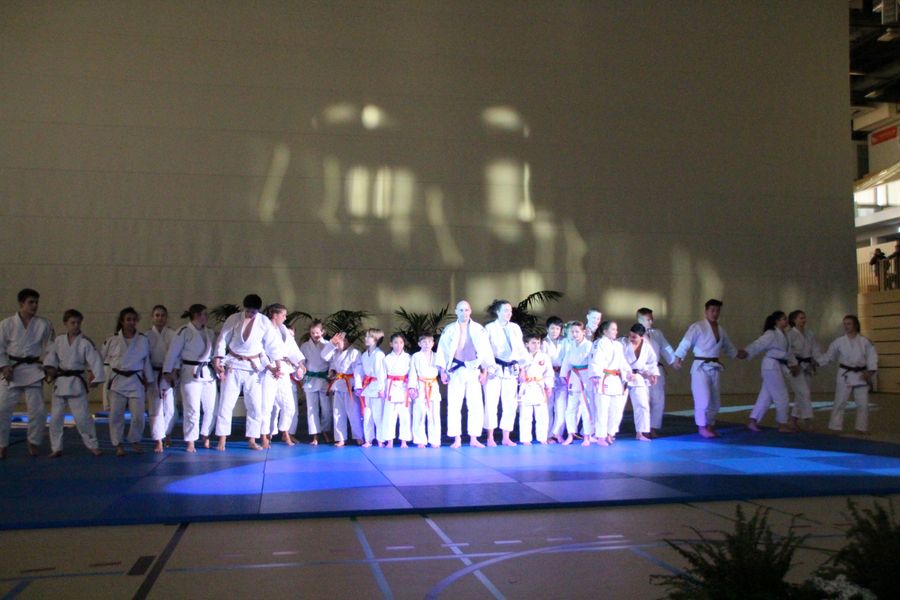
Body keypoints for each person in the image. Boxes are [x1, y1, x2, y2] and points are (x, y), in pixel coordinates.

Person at [212, 294, 283, 451]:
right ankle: (222, 439)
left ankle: (252, 439)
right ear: (244, 308)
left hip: (253, 368)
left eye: (253, 312)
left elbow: (272, 345)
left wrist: (277, 365)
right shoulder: (233, 319)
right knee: (226, 403)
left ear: (258, 310)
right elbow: (223, 339)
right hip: (234, 364)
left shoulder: (263, 321)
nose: (250, 314)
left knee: (255, 406)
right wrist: (218, 359)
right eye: (248, 311)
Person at [673, 299, 743, 438]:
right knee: (703, 399)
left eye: (717, 311)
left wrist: (739, 354)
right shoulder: (697, 327)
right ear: (706, 311)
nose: (715, 313)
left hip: (714, 367)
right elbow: (686, 342)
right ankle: (702, 427)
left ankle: (710, 425)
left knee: (715, 402)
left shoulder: (721, 330)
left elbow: (728, 347)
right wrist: (678, 357)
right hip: (700, 367)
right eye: (712, 310)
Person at [0, 288, 55, 459]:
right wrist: (4, 366)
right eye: (31, 302)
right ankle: (1, 444)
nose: (35, 305)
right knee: (2, 409)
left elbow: (50, 347)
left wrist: (49, 366)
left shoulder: (44, 324)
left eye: (36, 302)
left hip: (33, 369)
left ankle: (33, 441)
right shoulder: (6, 324)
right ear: (21, 303)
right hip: (12, 369)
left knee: (38, 411)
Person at [43, 309, 105, 457]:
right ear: (65, 323)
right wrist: (49, 368)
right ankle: (56, 448)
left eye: (78, 323)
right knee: (55, 418)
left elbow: (95, 360)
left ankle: (93, 445)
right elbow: (51, 358)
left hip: (76, 383)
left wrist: (96, 377)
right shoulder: (59, 340)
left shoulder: (85, 342)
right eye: (72, 322)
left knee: (83, 418)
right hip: (60, 382)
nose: (76, 325)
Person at [435, 300, 495, 448]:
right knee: (454, 405)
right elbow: (442, 350)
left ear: (470, 311)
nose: (464, 313)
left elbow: (486, 351)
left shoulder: (479, 329)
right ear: (456, 311)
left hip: (473, 369)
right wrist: (442, 371)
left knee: (475, 405)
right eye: (461, 310)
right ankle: (457, 438)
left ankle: (474, 438)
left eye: (466, 310)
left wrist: (485, 371)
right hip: (456, 370)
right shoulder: (449, 329)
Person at [163, 304, 217, 452]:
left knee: (211, 407)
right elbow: (173, 352)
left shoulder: (209, 332)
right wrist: (168, 371)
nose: (207, 317)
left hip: (207, 372)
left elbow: (213, 354)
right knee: (192, 408)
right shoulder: (184, 331)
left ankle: (206, 434)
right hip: (190, 372)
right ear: (197, 315)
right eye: (204, 314)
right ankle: (191, 440)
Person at [103, 307, 154, 456]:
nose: (131, 322)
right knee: (116, 415)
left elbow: (146, 361)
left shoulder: (142, 339)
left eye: (133, 320)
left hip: (135, 380)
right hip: (117, 381)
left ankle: (134, 439)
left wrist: (149, 379)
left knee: (138, 415)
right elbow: (101, 358)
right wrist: (96, 375)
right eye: (128, 319)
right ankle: (118, 444)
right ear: (122, 321)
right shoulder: (112, 339)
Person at [817, 315, 878, 434]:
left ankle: (861, 428)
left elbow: (872, 357)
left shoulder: (865, 341)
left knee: (863, 403)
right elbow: (829, 356)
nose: (846, 326)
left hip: (861, 374)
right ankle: (835, 426)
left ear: (855, 325)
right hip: (844, 374)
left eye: (848, 324)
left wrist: (870, 372)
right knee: (840, 401)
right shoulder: (839, 341)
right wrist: (817, 362)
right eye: (844, 324)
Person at [483, 299, 527, 447]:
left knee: (510, 404)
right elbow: (485, 351)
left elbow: (521, 350)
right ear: (498, 312)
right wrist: (487, 369)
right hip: (494, 369)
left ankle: (506, 437)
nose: (509, 313)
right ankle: (490, 437)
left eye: (510, 310)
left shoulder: (515, 328)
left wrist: (523, 369)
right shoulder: (489, 328)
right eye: (505, 310)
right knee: (491, 404)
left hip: (511, 369)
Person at [261, 304, 306, 448]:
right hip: (268, 370)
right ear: (274, 315)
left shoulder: (284, 330)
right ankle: (264, 435)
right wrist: (270, 367)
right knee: (267, 406)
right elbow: (260, 351)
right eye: (283, 315)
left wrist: (300, 363)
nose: (285, 318)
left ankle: (285, 432)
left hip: (284, 371)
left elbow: (293, 349)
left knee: (289, 406)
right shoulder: (263, 328)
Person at [742, 311, 795, 433]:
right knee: (782, 395)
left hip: (777, 365)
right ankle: (782, 424)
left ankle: (753, 421)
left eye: (786, 319)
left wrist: (792, 364)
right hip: (771, 366)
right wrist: (746, 352)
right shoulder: (771, 333)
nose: (786, 321)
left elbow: (787, 354)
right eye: (783, 319)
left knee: (765, 396)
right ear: (777, 321)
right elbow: (758, 344)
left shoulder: (784, 334)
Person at [636, 308, 676, 437]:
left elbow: (666, 347)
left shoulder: (657, 333)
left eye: (651, 319)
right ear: (640, 320)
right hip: (642, 371)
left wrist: (674, 360)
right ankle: (643, 429)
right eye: (648, 319)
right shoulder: (635, 334)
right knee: (643, 401)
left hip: (657, 370)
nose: (651, 322)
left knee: (658, 400)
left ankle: (653, 427)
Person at [590, 321, 632, 446]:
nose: (616, 332)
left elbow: (622, 361)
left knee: (616, 410)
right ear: (605, 331)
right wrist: (596, 376)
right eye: (613, 329)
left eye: (616, 329)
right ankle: (601, 436)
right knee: (602, 409)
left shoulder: (618, 345)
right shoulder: (600, 343)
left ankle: (610, 433)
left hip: (616, 380)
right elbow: (596, 361)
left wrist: (628, 372)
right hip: (604, 378)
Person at [322, 331, 362, 446]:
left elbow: (358, 371)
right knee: (338, 413)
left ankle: (358, 436)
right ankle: (341, 438)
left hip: (350, 386)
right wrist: (332, 371)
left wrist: (358, 386)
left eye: (339, 341)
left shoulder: (355, 353)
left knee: (354, 413)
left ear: (346, 341)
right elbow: (324, 356)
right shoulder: (335, 352)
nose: (337, 344)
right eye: (336, 342)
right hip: (338, 384)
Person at [146, 305, 177, 453]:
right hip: (153, 373)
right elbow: (144, 358)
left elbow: (177, 354)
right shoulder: (146, 336)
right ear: (152, 317)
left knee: (170, 409)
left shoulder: (173, 334)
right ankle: (158, 439)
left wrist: (173, 372)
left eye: (162, 315)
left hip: (169, 374)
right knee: (155, 409)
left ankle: (167, 433)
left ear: (166, 317)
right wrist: (147, 377)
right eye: (157, 315)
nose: (160, 318)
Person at [622, 323, 659, 442]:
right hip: (622, 376)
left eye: (634, 337)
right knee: (617, 407)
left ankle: (641, 432)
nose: (631, 339)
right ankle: (608, 434)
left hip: (638, 376)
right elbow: (616, 359)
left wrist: (652, 374)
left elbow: (652, 362)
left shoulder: (646, 346)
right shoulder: (622, 343)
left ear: (642, 337)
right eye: (630, 335)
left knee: (642, 405)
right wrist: (626, 372)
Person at [558, 321, 593, 445]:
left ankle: (587, 436)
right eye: (572, 332)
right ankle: (570, 434)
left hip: (586, 377)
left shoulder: (589, 345)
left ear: (584, 332)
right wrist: (563, 374)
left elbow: (592, 363)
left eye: (577, 331)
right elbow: (567, 360)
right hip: (574, 376)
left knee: (586, 407)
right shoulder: (571, 344)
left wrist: (593, 377)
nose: (574, 334)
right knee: (570, 407)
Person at [299, 320, 332, 445]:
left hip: (324, 379)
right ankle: (314, 434)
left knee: (326, 409)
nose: (315, 335)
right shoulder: (305, 346)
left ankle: (326, 430)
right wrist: (301, 369)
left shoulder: (328, 345)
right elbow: (301, 362)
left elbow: (332, 362)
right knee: (311, 408)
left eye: (317, 332)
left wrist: (332, 373)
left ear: (323, 332)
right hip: (310, 379)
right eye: (312, 333)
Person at [786, 310, 820, 431]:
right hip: (795, 367)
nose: (804, 320)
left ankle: (793, 420)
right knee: (804, 393)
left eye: (804, 318)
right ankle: (808, 420)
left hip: (807, 366)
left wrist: (815, 360)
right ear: (794, 320)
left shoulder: (809, 333)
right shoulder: (790, 335)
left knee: (801, 395)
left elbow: (815, 348)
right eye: (801, 318)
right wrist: (792, 365)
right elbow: (787, 352)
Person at [517, 332, 554, 444]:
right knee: (525, 415)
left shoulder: (544, 357)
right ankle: (525, 439)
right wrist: (520, 373)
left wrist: (549, 386)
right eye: (533, 343)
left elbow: (549, 373)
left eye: (538, 343)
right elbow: (516, 371)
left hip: (539, 386)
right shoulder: (521, 356)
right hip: (526, 386)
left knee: (542, 415)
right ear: (526, 344)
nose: (536, 345)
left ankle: (542, 438)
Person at [408, 332, 441, 448]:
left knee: (434, 415)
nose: (427, 344)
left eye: (429, 342)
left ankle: (435, 440)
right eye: (424, 342)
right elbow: (412, 372)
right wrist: (412, 388)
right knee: (419, 414)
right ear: (419, 344)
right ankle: (420, 440)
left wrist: (445, 376)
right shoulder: (416, 356)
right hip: (420, 386)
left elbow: (442, 370)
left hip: (433, 385)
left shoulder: (437, 356)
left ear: (433, 343)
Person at [356, 328, 386, 446]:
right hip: (367, 387)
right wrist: (358, 386)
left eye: (369, 336)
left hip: (377, 387)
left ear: (376, 339)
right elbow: (359, 371)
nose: (366, 338)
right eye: (366, 336)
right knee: (367, 415)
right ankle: (368, 439)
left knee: (378, 415)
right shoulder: (364, 355)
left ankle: (380, 439)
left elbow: (381, 373)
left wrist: (381, 388)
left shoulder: (379, 355)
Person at [381, 333, 412, 448]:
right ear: (391, 344)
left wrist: (412, 387)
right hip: (391, 388)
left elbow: (412, 374)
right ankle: (390, 441)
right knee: (389, 417)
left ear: (404, 344)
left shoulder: (408, 357)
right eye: (395, 342)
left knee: (405, 416)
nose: (398, 345)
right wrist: (382, 389)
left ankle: (404, 441)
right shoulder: (387, 358)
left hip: (404, 388)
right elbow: (382, 375)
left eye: (401, 342)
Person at [542, 316, 567, 444]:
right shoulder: (543, 343)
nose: (555, 331)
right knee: (548, 407)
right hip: (548, 377)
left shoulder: (565, 341)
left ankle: (558, 434)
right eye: (552, 328)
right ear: (547, 329)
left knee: (561, 408)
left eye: (557, 328)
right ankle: (547, 435)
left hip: (562, 376)